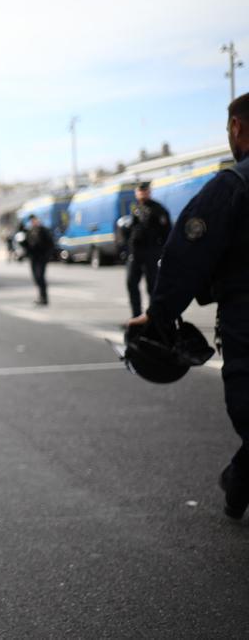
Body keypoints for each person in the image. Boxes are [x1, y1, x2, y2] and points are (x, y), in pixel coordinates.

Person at [128, 92, 249, 520]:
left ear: (236, 127)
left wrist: (158, 314)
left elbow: (186, 254)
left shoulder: (232, 185)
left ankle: (239, 480)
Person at [124, 181, 172, 317]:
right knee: (131, 283)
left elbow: (167, 232)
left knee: (152, 286)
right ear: (136, 193)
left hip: (151, 252)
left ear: (149, 192)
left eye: (145, 191)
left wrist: (162, 252)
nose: (142, 194)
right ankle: (136, 315)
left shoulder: (158, 209)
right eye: (140, 191)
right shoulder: (136, 209)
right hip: (136, 253)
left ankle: (153, 317)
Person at [23, 214, 54, 305]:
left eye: (35, 220)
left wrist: (47, 256)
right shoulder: (29, 232)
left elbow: (50, 244)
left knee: (40, 277)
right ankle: (41, 297)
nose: (33, 222)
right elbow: (27, 246)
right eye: (32, 221)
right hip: (33, 258)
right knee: (36, 278)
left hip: (41, 258)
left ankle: (44, 298)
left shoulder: (43, 231)